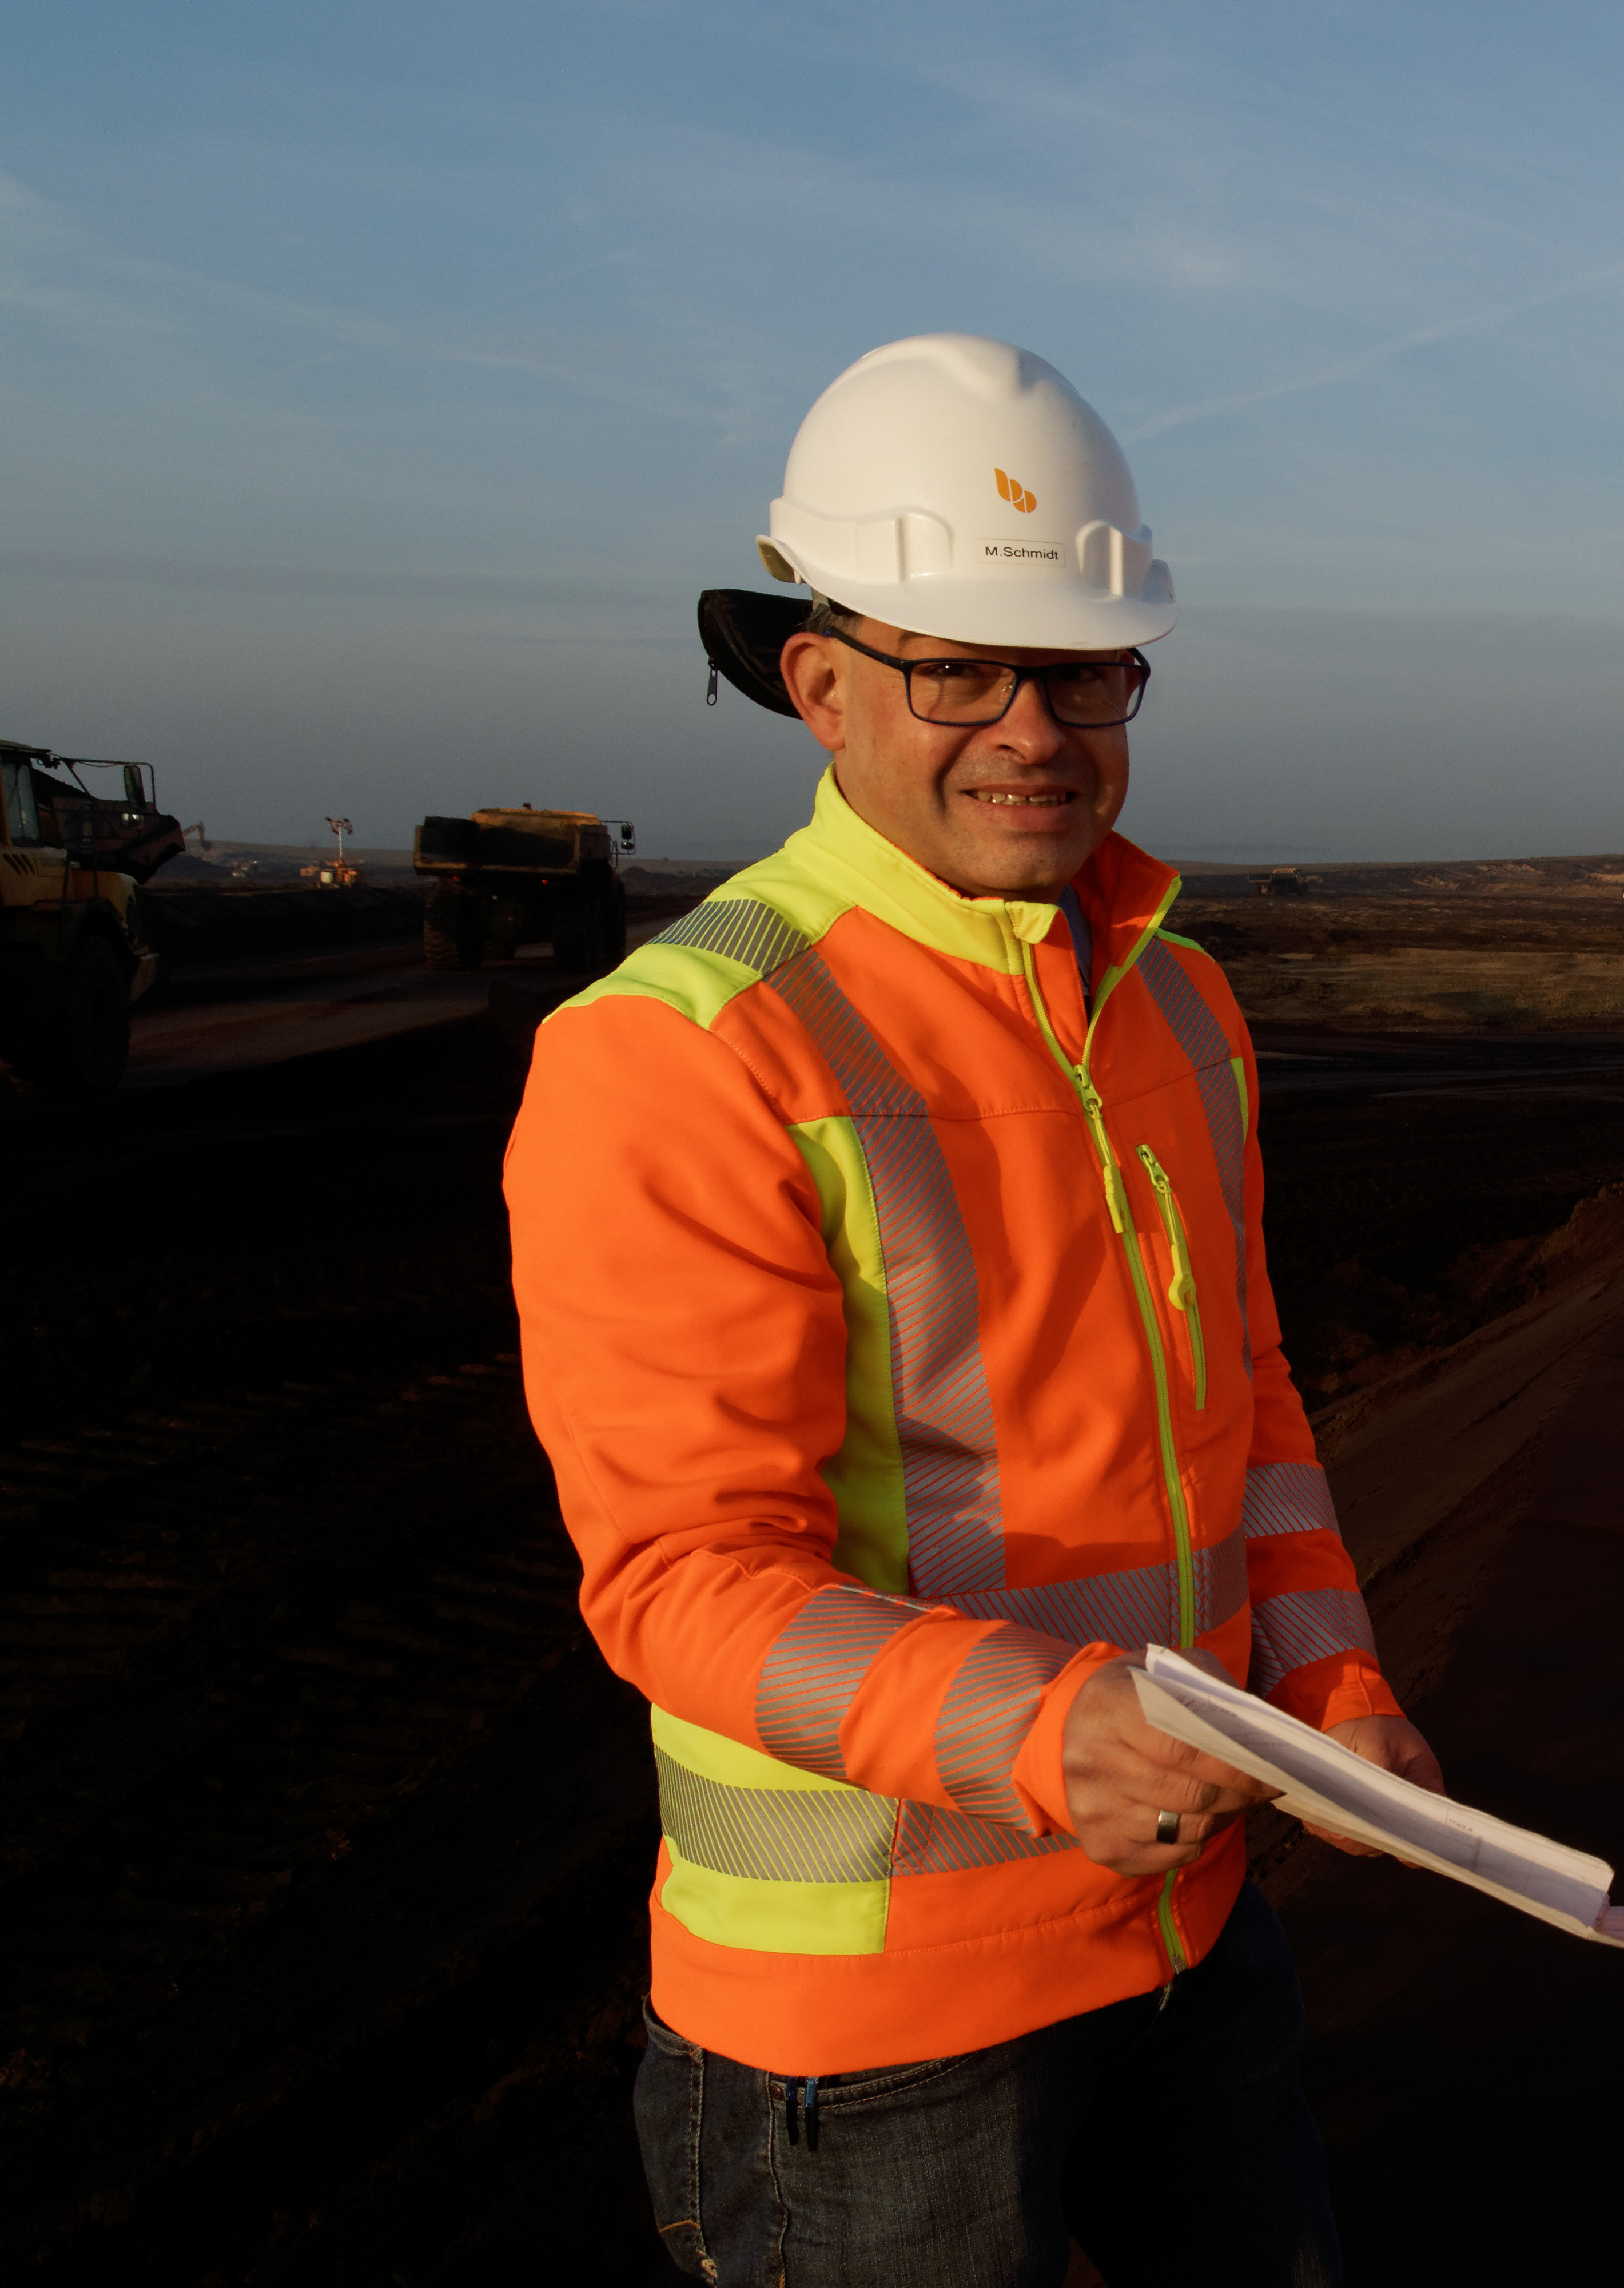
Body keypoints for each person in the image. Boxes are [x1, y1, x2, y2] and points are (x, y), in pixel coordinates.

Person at [508, 333, 1435, 2288]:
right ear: (819, 681)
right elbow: (676, 1577)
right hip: (873, 2035)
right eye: (959, 667)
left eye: (1082, 666)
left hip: (1186, 1933)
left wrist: (1336, 1699)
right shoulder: (684, 1048)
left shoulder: (1177, 1004)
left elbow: (1247, 1413)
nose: (1033, 726)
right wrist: (1044, 1731)